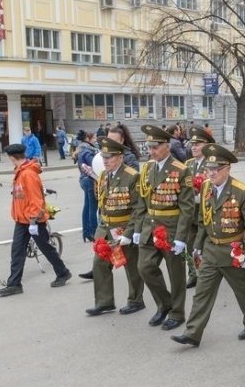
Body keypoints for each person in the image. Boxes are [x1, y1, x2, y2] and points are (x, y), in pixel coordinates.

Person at [170, 144, 245, 347]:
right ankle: (192, 332)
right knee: (202, 292)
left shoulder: (242, 192)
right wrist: (198, 246)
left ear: (227, 168)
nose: (211, 173)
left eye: (216, 169)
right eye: (208, 169)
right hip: (211, 250)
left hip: (233, 250)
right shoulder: (205, 187)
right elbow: (203, 220)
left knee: (243, 290)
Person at [133, 125, 194, 330]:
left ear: (167, 146)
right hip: (149, 227)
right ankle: (165, 303)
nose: (151, 151)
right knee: (144, 267)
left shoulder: (181, 170)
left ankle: (177, 312)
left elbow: (187, 208)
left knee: (175, 273)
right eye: (149, 147)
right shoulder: (147, 168)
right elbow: (142, 201)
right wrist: (137, 228)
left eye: (155, 147)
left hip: (171, 228)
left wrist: (181, 237)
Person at [0, 144, 72, 296]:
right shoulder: (22, 172)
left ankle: (63, 272)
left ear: (11, 158)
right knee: (18, 251)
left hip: (31, 220)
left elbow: (35, 200)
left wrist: (33, 222)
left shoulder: (27, 174)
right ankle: (14, 284)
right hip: (23, 219)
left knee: (45, 248)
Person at [85, 137, 146, 316]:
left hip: (123, 227)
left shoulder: (132, 176)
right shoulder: (104, 175)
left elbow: (138, 208)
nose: (105, 160)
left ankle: (136, 300)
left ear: (119, 157)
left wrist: (129, 232)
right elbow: (103, 202)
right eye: (103, 157)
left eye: (109, 157)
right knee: (99, 264)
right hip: (105, 229)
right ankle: (104, 302)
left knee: (131, 266)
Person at [184, 126, 215, 289]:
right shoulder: (188, 164)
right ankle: (193, 273)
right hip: (190, 212)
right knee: (190, 243)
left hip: (207, 211)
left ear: (207, 145)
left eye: (198, 144)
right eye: (192, 144)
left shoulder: (212, 164)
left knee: (205, 244)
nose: (194, 147)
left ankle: (207, 273)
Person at [74, 130, 99, 242]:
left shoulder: (81, 149)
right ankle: (93, 232)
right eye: (94, 138)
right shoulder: (88, 151)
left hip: (83, 179)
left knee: (87, 206)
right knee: (92, 208)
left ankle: (86, 232)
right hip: (89, 180)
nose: (96, 140)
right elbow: (94, 165)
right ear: (88, 139)